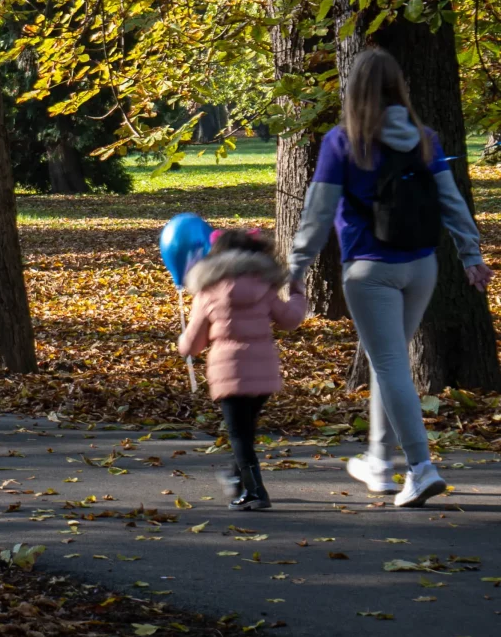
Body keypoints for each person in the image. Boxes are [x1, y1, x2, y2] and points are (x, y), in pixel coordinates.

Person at [287, 47, 490, 507]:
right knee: (388, 359)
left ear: (353, 89)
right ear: (399, 86)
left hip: (369, 270)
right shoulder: (425, 139)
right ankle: (380, 461)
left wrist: (297, 267)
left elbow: (318, 214)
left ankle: (420, 467)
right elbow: (451, 200)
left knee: (390, 363)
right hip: (422, 266)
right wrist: (470, 254)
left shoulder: (344, 141)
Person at [182, 226, 309, 509]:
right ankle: (236, 477)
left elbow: (192, 343)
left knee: (239, 435)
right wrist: (298, 295)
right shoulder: (264, 288)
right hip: (263, 374)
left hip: (228, 374)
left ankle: (255, 492)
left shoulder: (208, 291)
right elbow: (289, 320)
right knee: (246, 432)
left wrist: (183, 343)